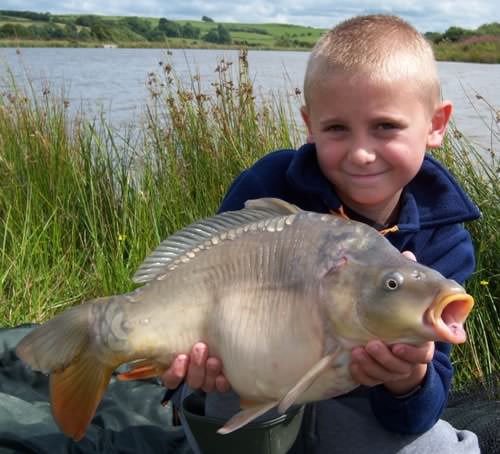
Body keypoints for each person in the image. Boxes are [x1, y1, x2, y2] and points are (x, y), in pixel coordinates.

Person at [161, 14, 481, 453]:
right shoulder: (267, 185)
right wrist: (187, 371)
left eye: (386, 126)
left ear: (436, 125)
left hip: (357, 406)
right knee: (217, 395)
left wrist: (407, 377)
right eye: (337, 129)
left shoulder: (444, 243)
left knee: (445, 447)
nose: (362, 153)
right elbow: (203, 275)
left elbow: (416, 414)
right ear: (310, 126)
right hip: (248, 383)